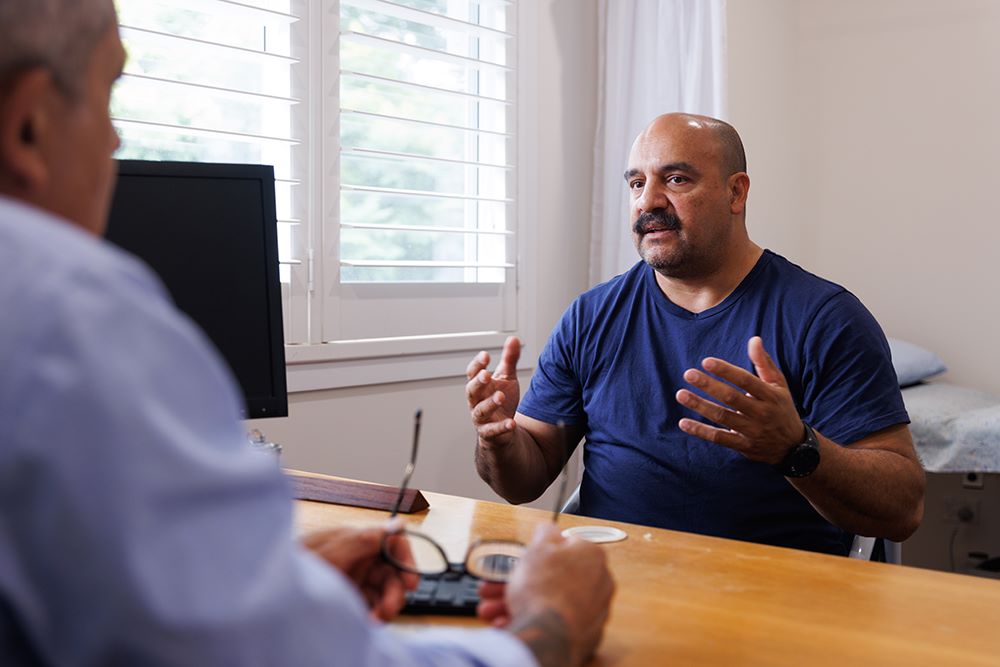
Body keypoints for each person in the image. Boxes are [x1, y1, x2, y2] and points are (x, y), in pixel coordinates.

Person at [0, 2, 614, 665]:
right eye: (108, 93)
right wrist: (546, 628)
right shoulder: (67, 316)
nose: (116, 142)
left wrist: (271, 581)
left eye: (677, 177)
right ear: (30, 123)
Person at [467, 113, 925, 556]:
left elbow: (902, 510)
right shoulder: (590, 317)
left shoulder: (825, 318)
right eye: (636, 183)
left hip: (771, 599)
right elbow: (521, 484)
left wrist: (796, 448)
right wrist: (500, 441)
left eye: (676, 179)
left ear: (736, 192)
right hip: (610, 587)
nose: (648, 202)